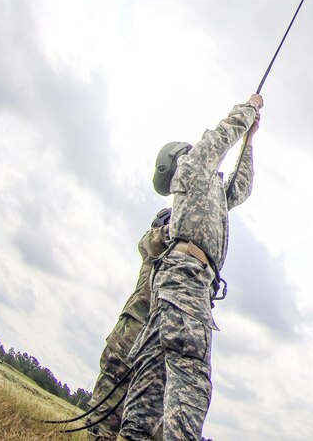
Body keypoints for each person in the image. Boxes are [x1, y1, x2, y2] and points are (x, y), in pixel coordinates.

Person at [118, 95, 262, 441]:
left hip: (180, 282)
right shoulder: (194, 164)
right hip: (187, 280)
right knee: (190, 380)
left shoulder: (209, 189)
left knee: (150, 379)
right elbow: (222, 134)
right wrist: (249, 108)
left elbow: (240, 188)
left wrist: (250, 140)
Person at [86, 209, 171, 439]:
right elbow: (157, 240)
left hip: (155, 354)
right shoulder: (153, 243)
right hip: (127, 344)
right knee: (104, 420)